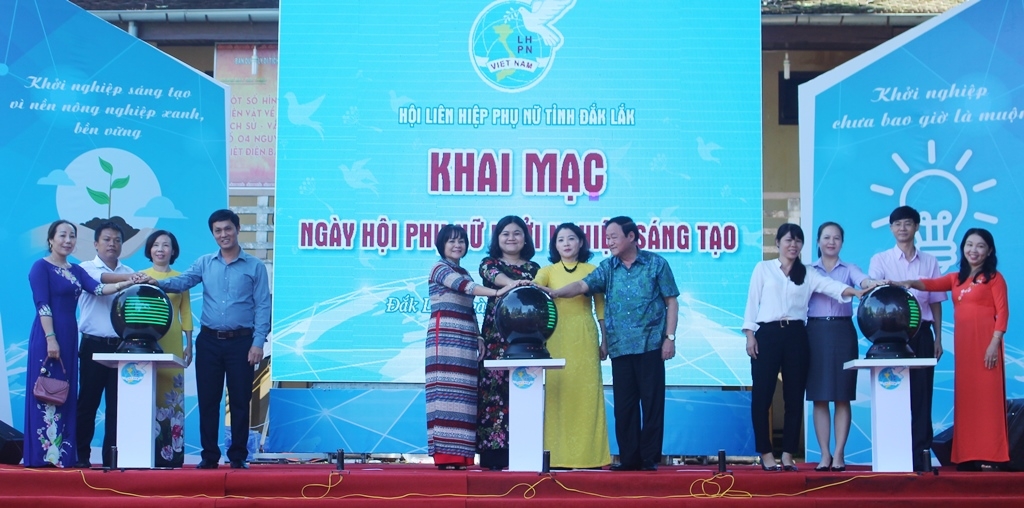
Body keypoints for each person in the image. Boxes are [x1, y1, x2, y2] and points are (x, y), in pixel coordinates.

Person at [546, 216, 678, 472]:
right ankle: (629, 459)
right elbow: (582, 285)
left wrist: (669, 338)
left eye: (614, 237)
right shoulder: (608, 267)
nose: (609, 242)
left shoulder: (656, 264)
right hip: (619, 347)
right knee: (625, 406)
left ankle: (649, 458)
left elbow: (671, 301)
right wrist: (557, 292)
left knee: (652, 404)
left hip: (651, 344)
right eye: (607, 238)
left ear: (631, 237)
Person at [153, 209, 270, 469]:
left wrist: (258, 342)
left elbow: (263, 306)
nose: (223, 234)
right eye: (218, 230)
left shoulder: (255, 266)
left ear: (237, 229)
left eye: (228, 228)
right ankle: (209, 456)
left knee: (240, 401)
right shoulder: (205, 263)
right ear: (213, 234)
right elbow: (182, 282)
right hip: (209, 342)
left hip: (242, 343)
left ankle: (238, 456)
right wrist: (157, 282)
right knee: (208, 401)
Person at [742, 223, 864, 471]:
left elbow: (832, 287)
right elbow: (752, 303)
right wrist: (750, 335)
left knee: (794, 396)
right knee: (762, 395)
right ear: (778, 243)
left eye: (798, 241)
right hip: (767, 335)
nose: (793, 245)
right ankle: (766, 453)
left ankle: (788, 454)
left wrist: (857, 292)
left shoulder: (807, 273)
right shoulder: (763, 268)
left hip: (797, 336)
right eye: (788, 240)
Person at [894, 228, 1008, 471]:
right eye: (969, 245)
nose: (973, 250)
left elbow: (1003, 313)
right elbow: (931, 284)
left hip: (987, 346)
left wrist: (994, 344)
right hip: (965, 347)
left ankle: (991, 456)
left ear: (989, 251)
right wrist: (909, 282)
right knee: (967, 400)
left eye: (980, 246)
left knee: (988, 401)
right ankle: (968, 456)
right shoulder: (956, 278)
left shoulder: (994, 278)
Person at [24, 220, 136, 468]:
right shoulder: (40, 267)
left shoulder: (76, 270)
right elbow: (42, 305)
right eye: (62, 235)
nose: (68, 240)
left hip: (69, 336)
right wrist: (50, 338)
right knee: (45, 391)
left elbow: (98, 289)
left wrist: (126, 283)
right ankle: (42, 455)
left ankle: (61, 455)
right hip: (48, 334)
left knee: (64, 393)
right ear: (51, 239)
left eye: (72, 236)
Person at [426, 225, 522, 470]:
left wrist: (479, 336)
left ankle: (461, 457)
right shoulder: (439, 268)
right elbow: (465, 288)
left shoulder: (465, 271)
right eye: (451, 241)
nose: (457, 245)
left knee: (465, 395)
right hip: (445, 337)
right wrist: (499, 291)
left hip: (466, 337)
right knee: (446, 394)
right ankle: (445, 456)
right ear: (442, 245)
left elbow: (470, 308)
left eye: (461, 241)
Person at [868, 205, 945, 471]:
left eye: (908, 223)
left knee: (922, 397)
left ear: (916, 227)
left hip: (921, 333)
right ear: (891, 229)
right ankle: (894, 456)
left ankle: (921, 456)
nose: (902, 228)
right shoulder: (880, 260)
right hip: (890, 339)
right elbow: (874, 295)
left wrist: (938, 337)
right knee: (894, 394)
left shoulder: (929, 262)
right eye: (897, 224)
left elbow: (935, 301)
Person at [534, 223, 610, 469]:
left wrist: (605, 339)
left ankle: (590, 458)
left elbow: (601, 308)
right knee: (558, 394)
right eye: (560, 240)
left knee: (587, 395)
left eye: (571, 238)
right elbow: (535, 289)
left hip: (584, 335)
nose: (566, 243)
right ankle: (556, 457)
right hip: (556, 336)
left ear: (581, 242)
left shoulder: (593, 270)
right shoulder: (547, 271)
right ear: (554, 246)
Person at [806, 222, 879, 472]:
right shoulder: (807, 271)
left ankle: (839, 454)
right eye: (826, 237)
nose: (831, 242)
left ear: (842, 243)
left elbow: (863, 280)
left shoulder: (850, 269)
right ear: (818, 241)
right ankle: (824, 454)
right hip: (814, 333)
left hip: (842, 332)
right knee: (819, 397)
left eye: (836, 238)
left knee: (842, 395)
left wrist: (871, 282)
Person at [477, 215, 540, 470]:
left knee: (523, 392)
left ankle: (524, 450)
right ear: (497, 238)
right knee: (493, 395)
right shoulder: (489, 264)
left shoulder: (535, 269)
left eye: (517, 233)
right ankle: (493, 455)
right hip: (495, 338)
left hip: (526, 340)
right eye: (505, 233)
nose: (511, 238)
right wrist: (514, 284)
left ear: (525, 238)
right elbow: (493, 276)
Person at [75, 221, 136, 468]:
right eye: (107, 240)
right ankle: (80, 456)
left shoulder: (129, 270)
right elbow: (100, 282)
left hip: (121, 348)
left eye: (117, 240)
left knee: (117, 407)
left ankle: (112, 459)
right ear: (95, 244)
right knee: (87, 404)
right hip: (93, 345)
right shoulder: (85, 269)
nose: (112, 244)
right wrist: (130, 279)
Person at [140, 230, 194, 468]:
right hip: (148, 339)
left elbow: (185, 312)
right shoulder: (140, 276)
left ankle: (172, 455)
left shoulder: (181, 278)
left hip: (173, 339)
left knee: (172, 394)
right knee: (147, 390)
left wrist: (189, 343)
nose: (160, 249)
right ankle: (144, 453)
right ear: (149, 250)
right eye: (156, 245)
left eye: (166, 245)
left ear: (173, 251)